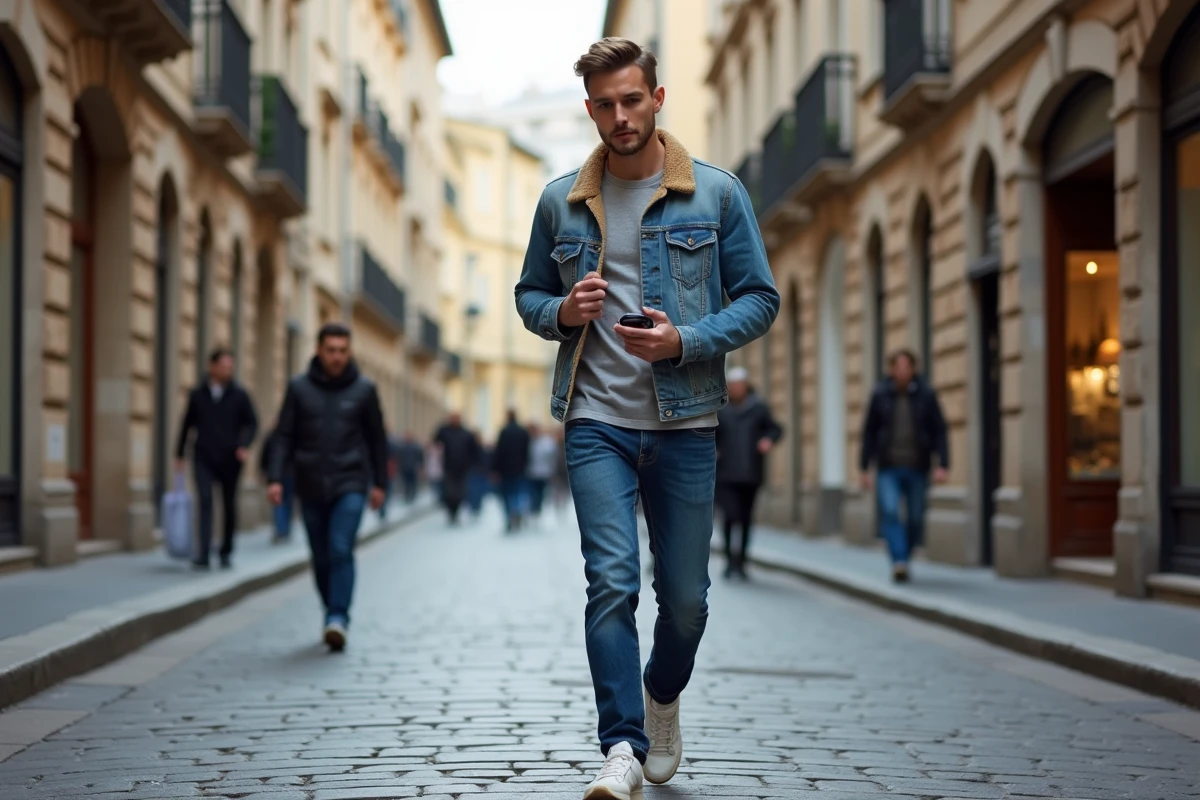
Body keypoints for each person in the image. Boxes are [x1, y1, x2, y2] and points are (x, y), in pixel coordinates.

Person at [513, 38, 779, 799]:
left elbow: (760, 298)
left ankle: (662, 692)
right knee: (611, 583)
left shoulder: (717, 194)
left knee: (686, 604)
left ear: (657, 99)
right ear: (590, 109)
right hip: (595, 420)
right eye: (605, 104)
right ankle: (621, 747)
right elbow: (530, 295)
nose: (620, 116)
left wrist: (684, 340)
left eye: (632, 100)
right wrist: (563, 311)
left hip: (686, 422)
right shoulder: (559, 201)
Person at [266, 323, 388, 652]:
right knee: (320, 557)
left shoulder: (364, 389)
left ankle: (338, 617)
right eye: (331, 350)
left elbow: (377, 440)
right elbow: (283, 437)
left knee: (339, 548)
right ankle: (331, 610)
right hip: (309, 484)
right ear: (319, 350)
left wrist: (380, 484)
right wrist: (275, 478)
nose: (337, 357)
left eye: (343, 351)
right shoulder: (298, 388)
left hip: (351, 482)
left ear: (349, 352)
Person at [859, 349, 949, 583]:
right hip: (888, 467)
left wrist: (943, 464)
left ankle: (904, 557)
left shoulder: (926, 394)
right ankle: (899, 560)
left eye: (906, 367)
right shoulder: (880, 394)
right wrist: (864, 468)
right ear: (891, 370)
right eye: (898, 367)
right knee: (890, 511)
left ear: (913, 369)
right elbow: (869, 432)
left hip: (918, 466)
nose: (902, 372)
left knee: (916, 517)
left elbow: (939, 430)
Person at [175, 348, 258, 570]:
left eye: (230, 367)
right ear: (211, 367)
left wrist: (244, 445)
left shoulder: (240, 394)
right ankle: (203, 553)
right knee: (205, 501)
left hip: (231, 458)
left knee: (228, 504)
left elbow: (252, 423)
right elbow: (187, 424)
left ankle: (225, 551)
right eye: (223, 366)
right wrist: (179, 454)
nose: (227, 371)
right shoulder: (198, 394)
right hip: (203, 456)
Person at [714, 367, 782, 581]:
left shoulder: (758, 408)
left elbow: (776, 429)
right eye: (732, 386)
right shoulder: (720, 409)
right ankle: (729, 560)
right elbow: (709, 434)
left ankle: (742, 561)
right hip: (725, 475)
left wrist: (768, 440)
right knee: (729, 516)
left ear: (746, 386)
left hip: (751, 474)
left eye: (739, 385)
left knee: (745, 519)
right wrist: (713, 449)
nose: (736, 389)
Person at [433, 413, 479, 524]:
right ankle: (451, 511)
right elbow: (435, 440)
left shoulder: (466, 433)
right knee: (449, 492)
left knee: (459, 493)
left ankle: (456, 511)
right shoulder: (445, 431)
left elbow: (474, 450)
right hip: (449, 467)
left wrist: (471, 463)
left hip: (462, 468)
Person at [492, 410, 532, 532]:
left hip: (505, 469)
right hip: (520, 469)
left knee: (506, 495)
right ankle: (518, 512)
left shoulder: (504, 432)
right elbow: (527, 452)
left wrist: (495, 469)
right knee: (518, 493)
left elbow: (498, 452)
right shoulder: (523, 432)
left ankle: (509, 516)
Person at [260, 424, 294, 543]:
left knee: (282, 502)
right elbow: (264, 456)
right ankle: (283, 529)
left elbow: (263, 457)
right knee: (283, 502)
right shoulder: (274, 437)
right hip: (284, 474)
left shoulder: (274, 437)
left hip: (286, 474)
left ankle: (282, 529)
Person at [527, 424, 560, 518]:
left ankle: (537, 509)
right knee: (533, 493)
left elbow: (552, 456)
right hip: (532, 472)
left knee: (539, 493)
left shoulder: (546, 442)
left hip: (543, 473)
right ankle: (534, 509)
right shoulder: (530, 442)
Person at [394, 431, 425, 504]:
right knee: (406, 483)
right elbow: (399, 458)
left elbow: (420, 457)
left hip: (413, 467)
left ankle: (412, 494)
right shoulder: (402, 447)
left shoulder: (415, 447)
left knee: (412, 482)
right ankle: (407, 495)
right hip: (405, 467)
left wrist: (420, 466)